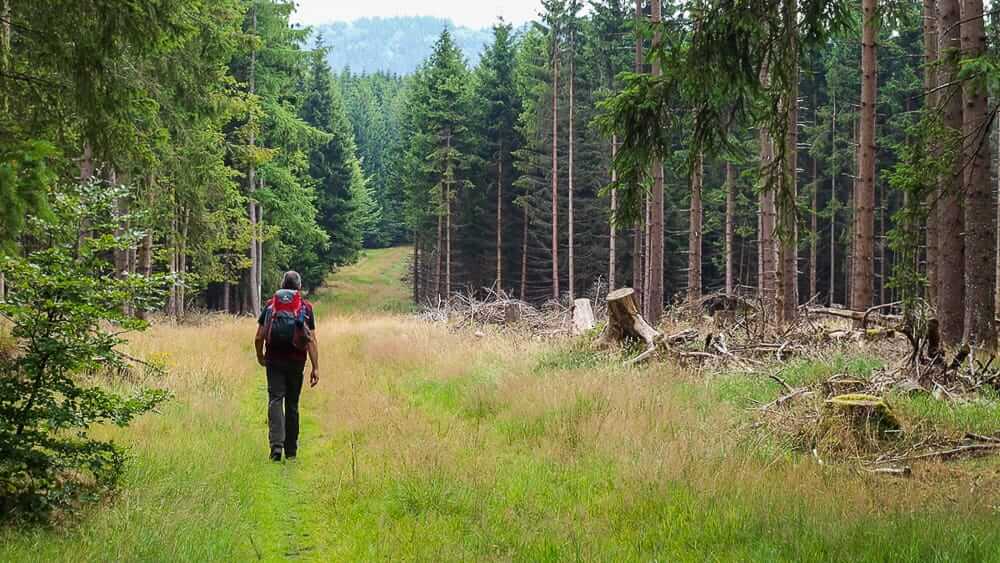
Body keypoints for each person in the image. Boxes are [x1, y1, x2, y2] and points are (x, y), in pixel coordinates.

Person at [255, 271, 320, 462]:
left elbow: (259, 337)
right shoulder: (306, 307)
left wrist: (260, 356)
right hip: (296, 361)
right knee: (292, 404)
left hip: (274, 360)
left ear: (282, 284)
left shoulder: (270, 305)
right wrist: (315, 367)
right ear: (299, 286)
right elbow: (311, 341)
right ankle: (291, 451)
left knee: (275, 400)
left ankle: (276, 447)